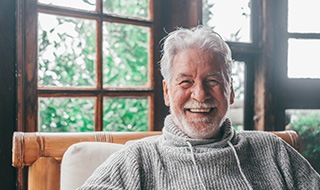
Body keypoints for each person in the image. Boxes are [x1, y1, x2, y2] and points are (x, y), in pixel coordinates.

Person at [78, 26, 320, 190]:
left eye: (213, 81)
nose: (200, 94)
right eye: (186, 82)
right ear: (166, 92)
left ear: (231, 90)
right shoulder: (137, 159)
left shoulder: (274, 151)